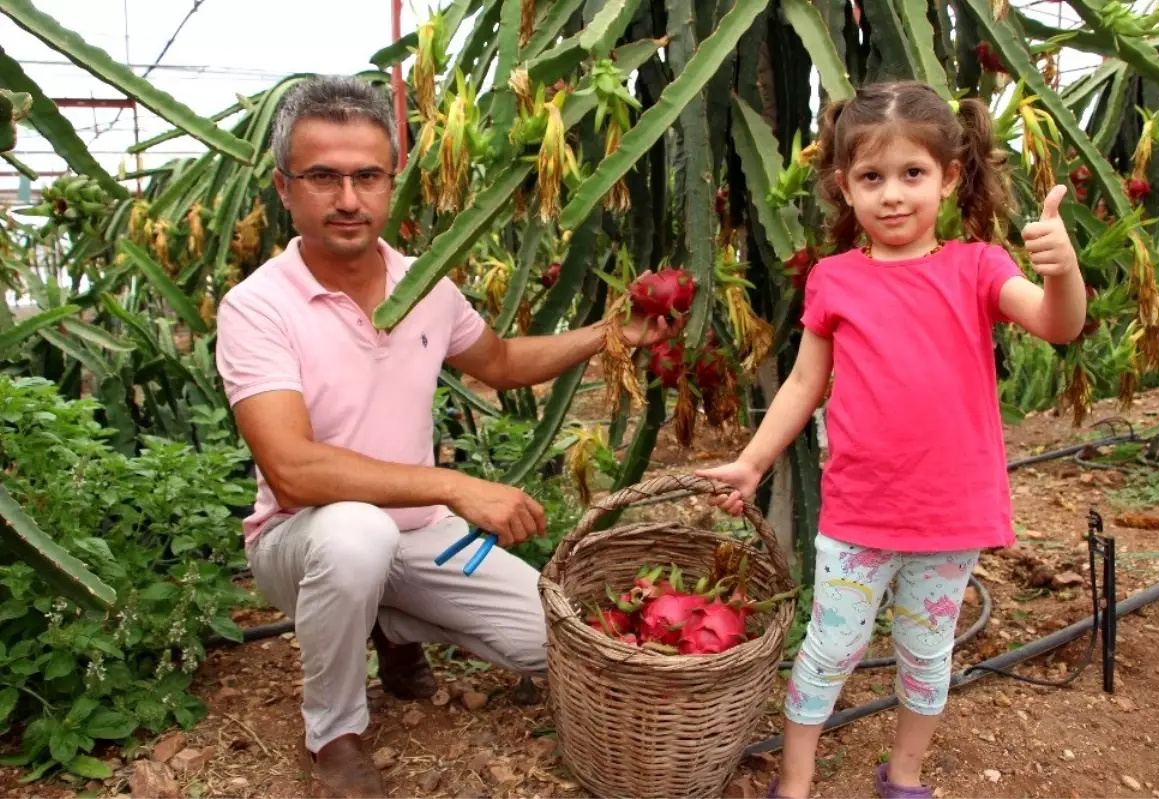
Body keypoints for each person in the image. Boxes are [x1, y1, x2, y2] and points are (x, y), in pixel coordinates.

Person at [214, 74, 678, 798]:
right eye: (323, 177)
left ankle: (389, 626)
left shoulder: (423, 282)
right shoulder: (258, 307)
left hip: (418, 534)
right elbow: (295, 471)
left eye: (368, 176)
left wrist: (610, 333)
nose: (348, 198)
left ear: (391, 182)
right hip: (302, 540)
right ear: (284, 187)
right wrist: (456, 484)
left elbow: (499, 362)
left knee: (546, 639)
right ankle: (333, 731)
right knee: (354, 539)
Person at [695, 81, 1085, 799]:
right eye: (872, 177)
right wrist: (752, 463)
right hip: (859, 513)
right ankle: (796, 778)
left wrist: (1062, 272)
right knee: (829, 650)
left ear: (950, 177)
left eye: (913, 174)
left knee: (926, 656)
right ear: (845, 187)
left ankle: (903, 776)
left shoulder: (978, 268)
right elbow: (804, 383)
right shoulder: (834, 278)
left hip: (948, 515)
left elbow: (1057, 324)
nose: (893, 194)